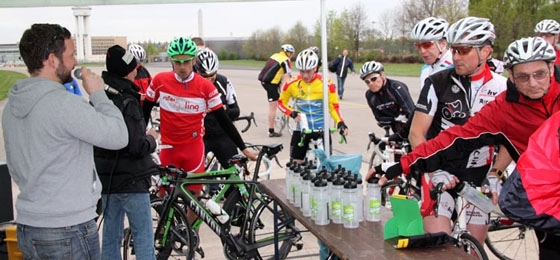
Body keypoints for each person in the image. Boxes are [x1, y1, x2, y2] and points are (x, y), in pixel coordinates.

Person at [371, 36, 560, 259]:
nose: (532, 83)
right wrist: (401, 164)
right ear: (512, 76)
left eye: (539, 74)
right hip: (549, 200)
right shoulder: (503, 109)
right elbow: (454, 139)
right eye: (522, 76)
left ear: (551, 66)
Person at [2, 23, 128, 259]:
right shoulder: (63, 105)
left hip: (30, 227)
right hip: (67, 229)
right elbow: (118, 136)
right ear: (52, 59)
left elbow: (16, 169)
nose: (75, 62)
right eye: (71, 55)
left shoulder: (10, 108)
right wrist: (98, 94)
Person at [407, 16, 507, 244]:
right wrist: (433, 170)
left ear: (485, 52)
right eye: (454, 50)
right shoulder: (436, 82)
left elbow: (510, 139)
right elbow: (416, 133)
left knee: (473, 249)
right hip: (440, 169)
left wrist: (497, 173)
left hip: (478, 175)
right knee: (440, 245)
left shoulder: (502, 88)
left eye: (463, 51)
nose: (456, 57)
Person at [142, 37, 255, 223]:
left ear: (194, 60)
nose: (182, 67)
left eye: (186, 61)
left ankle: (192, 234)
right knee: (163, 195)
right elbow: (144, 111)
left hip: (193, 149)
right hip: (169, 149)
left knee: (193, 198)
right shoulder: (160, 81)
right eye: (177, 62)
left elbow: (225, 120)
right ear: (171, 61)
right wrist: (142, 137)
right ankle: (164, 232)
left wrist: (243, 149)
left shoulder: (205, 86)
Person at [95, 45, 158, 260]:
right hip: (133, 180)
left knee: (111, 236)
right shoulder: (128, 101)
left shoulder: (100, 99)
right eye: (134, 69)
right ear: (127, 71)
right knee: (143, 236)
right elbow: (136, 145)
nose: (136, 72)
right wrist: (152, 139)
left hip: (108, 180)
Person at [278, 49, 348, 163]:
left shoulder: (326, 83)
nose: (305, 75)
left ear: (315, 68)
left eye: (308, 71)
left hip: (321, 128)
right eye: (302, 71)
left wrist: (340, 122)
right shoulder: (291, 83)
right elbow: (281, 103)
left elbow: (333, 106)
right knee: (295, 165)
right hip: (302, 129)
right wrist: (292, 113)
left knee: (327, 165)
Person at [194, 48, 257, 171]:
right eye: (204, 76)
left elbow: (236, 111)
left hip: (222, 134)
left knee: (234, 174)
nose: (208, 80)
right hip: (201, 137)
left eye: (212, 75)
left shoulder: (224, 82)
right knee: (197, 176)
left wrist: (223, 110)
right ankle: (211, 188)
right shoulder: (191, 84)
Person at [360, 60, 415, 139]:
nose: (371, 83)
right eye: (367, 81)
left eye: (373, 79)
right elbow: (379, 118)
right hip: (395, 128)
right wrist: (395, 118)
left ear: (383, 76)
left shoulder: (396, 87)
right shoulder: (369, 95)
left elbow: (411, 113)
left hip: (412, 127)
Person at [258, 44, 295, 137]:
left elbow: (277, 72)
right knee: (274, 106)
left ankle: (276, 124)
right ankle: (271, 131)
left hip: (265, 81)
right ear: (288, 53)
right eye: (291, 53)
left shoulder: (275, 55)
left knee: (277, 102)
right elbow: (287, 78)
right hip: (271, 84)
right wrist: (290, 92)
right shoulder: (286, 60)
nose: (292, 55)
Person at [410, 17, 453, 89]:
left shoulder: (456, 68)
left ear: (443, 43)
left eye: (427, 45)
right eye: (418, 45)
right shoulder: (425, 68)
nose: (422, 51)